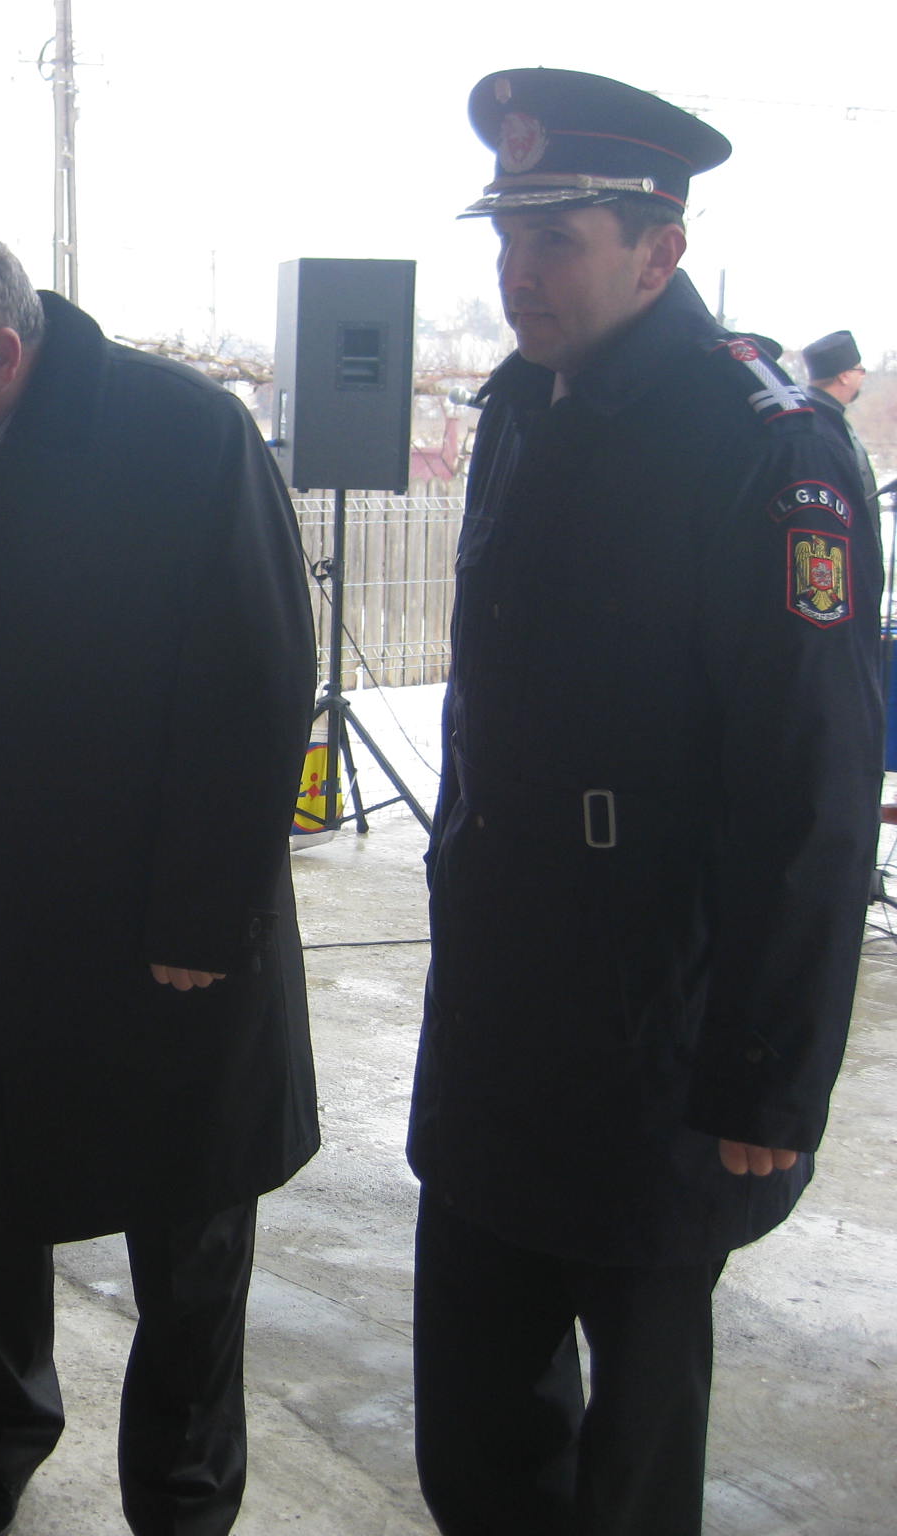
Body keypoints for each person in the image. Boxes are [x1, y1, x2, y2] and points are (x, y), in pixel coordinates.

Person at [410, 69, 885, 1536]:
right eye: (507, 239)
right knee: (473, 1424)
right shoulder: (520, 407)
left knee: (633, 1448)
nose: (518, 273)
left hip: (652, 1027)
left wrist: (767, 1073)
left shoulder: (763, 442)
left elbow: (811, 784)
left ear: (658, 250)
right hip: (498, 1009)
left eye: (556, 241)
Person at [0, 215, 318, 1536]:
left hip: (169, 925)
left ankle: (182, 1496)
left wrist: (202, 915)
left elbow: (256, 683)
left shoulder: (186, 438)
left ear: (2, 352)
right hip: (3, 917)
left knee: (187, 1228)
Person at [801, 328, 878, 506]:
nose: (862, 377)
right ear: (844, 376)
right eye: (860, 370)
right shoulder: (817, 425)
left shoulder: (824, 417)